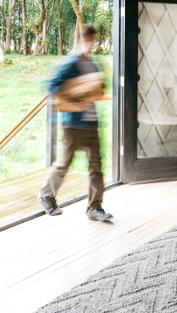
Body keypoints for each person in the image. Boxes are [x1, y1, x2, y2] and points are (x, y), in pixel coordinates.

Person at [38, 25, 113, 221]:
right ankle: (46, 196)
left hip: (91, 125)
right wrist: (72, 104)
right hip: (72, 125)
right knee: (64, 164)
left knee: (96, 168)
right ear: (82, 39)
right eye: (88, 39)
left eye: (93, 40)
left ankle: (94, 208)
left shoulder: (93, 65)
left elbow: (98, 89)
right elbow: (52, 86)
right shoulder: (71, 64)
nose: (90, 43)